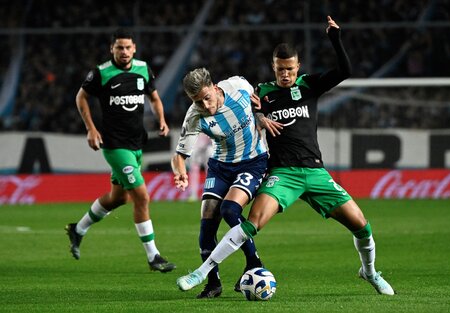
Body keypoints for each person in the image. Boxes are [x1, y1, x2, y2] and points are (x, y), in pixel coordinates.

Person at [176, 16, 395, 296]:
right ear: (274, 67)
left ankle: (370, 272)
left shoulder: (308, 86)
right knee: (249, 223)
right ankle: (202, 273)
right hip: (282, 174)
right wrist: (259, 116)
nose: (285, 74)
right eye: (280, 69)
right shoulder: (263, 93)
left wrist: (335, 39)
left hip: (315, 172)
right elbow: (246, 107)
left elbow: (345, 70)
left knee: (362, 226)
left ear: (298, 67)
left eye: (290, 69)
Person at [65, 28, 176, 273]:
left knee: (119, 198)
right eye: (119, 48)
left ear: (134, 48)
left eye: (127, 47)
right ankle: (153, 256)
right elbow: (81, 97)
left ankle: (78, 229)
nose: (124, 52)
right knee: (142, 197)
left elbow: (155, 98)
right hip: (115, 146)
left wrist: (162, 120)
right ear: (112, 49)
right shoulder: (101, 73)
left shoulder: (143, 69)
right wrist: (91, 129)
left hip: (137, 143)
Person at [171, 67, 267, 298]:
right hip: (220, 166)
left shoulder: (239, 86)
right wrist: (180, 172)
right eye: (197, 101)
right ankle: (213, 283)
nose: (204, 105)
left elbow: (259, 98)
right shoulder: (194, 116)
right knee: (207, 222)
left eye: (207, 98)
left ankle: (254, 263)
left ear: (215, 88)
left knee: (230, 210)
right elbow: (179, 155)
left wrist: (261, 113)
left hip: (253, 161)